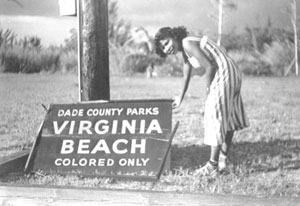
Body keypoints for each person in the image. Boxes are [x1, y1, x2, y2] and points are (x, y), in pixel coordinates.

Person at [154, 26, 249, 176]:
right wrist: (180, 97)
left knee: (215, 116)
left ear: (173, 36)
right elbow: (186, 76)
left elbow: (209, 66)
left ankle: (212, 165)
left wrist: (208, 90)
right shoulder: (185, 52)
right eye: (163, 48)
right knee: (228, 118)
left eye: (166, 43)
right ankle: (223, 160)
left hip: (223, 72)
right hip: (232, 71)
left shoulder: (187, 43)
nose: (166, 49)